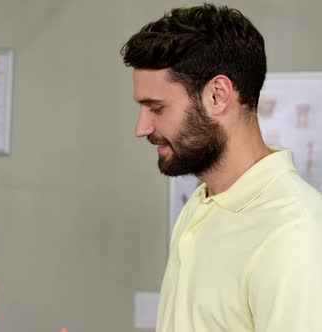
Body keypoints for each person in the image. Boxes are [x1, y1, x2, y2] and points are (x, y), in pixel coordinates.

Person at [120, 3, 322, 331]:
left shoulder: (294, 232)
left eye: (156, 108)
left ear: (217, 96)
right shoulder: (200, 207)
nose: (141, 128)